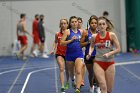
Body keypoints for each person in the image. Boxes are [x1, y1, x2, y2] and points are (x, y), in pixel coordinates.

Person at [87, 16, 121, 93]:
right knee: (103, 85)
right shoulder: (94, 36)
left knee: (109, 90)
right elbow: (92, 46)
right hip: (98, 63)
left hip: (110, 63)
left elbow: (118, 49)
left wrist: (109, 53)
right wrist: (89, 53)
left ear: (106, 25)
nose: (102, 26)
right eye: (100, 24)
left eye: (103, 24)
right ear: (97, 26)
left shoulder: (111, 35)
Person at [61, 16, 84, 93]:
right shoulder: (67, 31)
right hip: (69, 55)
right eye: (72, 22)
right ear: (70, 23)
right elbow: (61, 43)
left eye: (75, 21)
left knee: (78, 71)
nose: (74, 23)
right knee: (71, 72)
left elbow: (86, 40)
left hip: (79, 54)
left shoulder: (81, 31)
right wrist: (70, 40)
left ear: (78, 23)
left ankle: (77, 89)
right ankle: (73, 80)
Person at [80, 15, 100, 93]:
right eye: (92, 23)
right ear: (89, 23)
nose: (94, 24)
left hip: (97, 55)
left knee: (96, 72)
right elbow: (80, 44)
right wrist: (89, 42)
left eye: (95, 23)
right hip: (88, 56)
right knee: (91, 73)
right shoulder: (86, 33)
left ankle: (98, 87)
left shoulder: (100, 32)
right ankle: (91, 86)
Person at [50, 18, 69, 93]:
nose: (63, 25)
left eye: (65, 23)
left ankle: (67, 81)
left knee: (68, 70)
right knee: (61, 68)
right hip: (59, 53)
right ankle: (62, 86)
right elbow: (55, 42)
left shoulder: (69, 33)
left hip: (68, 53)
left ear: (67, 24)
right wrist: (53, 49)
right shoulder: (57, 34)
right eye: (62, 23)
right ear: (60, 25)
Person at [77, 17, 86, 87]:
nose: (78, 23)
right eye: (78, 22)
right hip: (75, 50)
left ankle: (82, 79)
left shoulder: (84, 31)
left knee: (83, 65)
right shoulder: (73, 31)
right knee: (76, 66)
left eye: (80, 22)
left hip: (82, 50)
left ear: (82, 23)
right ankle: (77, 79)